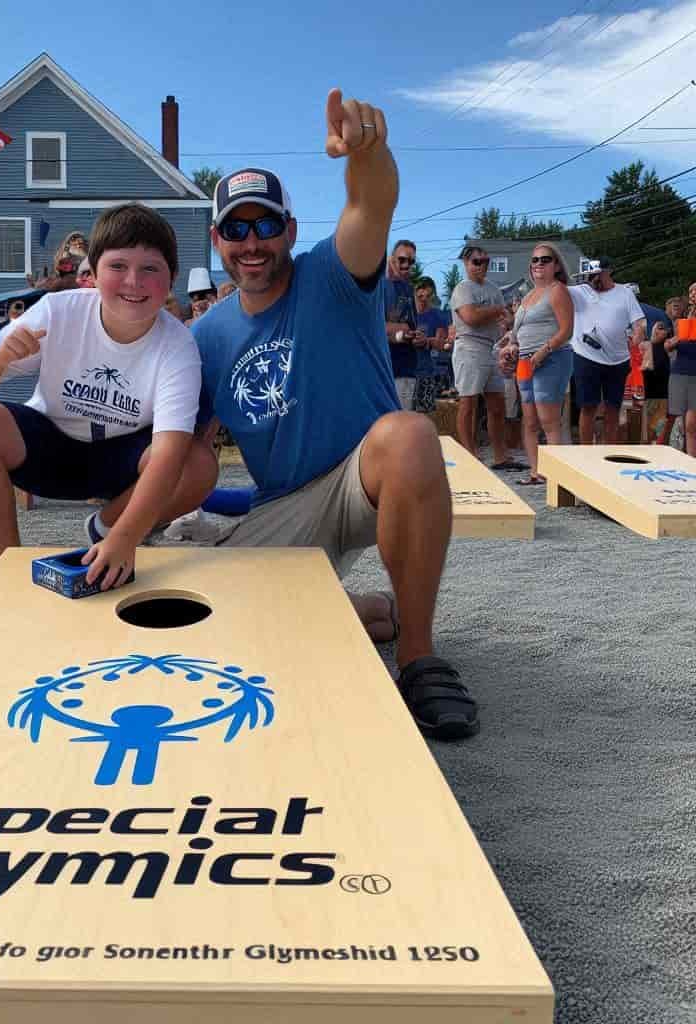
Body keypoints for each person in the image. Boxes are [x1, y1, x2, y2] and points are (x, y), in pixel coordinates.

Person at [192, 90, 479, 741]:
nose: (253, 242)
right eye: (236, 229)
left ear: (291, 230)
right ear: (217, 241)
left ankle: (418, 657)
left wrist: (367, 154)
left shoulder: (333, 272)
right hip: (286, 503)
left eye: (267, 224)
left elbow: (369, 203)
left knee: (409, 435)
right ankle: (374, 612)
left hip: (366, 477)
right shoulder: (206, 336)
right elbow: (187, 445)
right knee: (222, 618)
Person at [0, 203, 218, 585]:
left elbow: (170, 456)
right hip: (50, 448)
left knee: (198, 464)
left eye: (150, 269)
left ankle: (105, 528)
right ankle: (3, 572)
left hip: (122, 466)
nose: (133, 282)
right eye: (118, 266)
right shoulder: (58, 310)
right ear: (92, 270)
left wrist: (125, 538)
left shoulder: (178, 346)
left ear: (171, 278)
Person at [505, 245, 574, 485]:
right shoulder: (527, 296)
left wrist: (544, 351)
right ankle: (536, 472)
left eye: (545, 259)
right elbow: (516, 332)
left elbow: (567, 330)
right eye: (535, 260)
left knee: (549, 420)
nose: (538, 264)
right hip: (525, 360)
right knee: (530, 420)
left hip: (551, 358)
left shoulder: (558, 291)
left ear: (556, 265)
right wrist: (511, 345)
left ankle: (557, 477)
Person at [450, 245, 521, 469]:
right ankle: (470, 455)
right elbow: (470, 317)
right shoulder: (463, 289)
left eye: (486, 261)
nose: (482, 266)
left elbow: (506, 320)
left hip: (491, 347)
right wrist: (498, 311)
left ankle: (500, 456)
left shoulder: (493, 288)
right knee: (468, 403)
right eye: (477, 262)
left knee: (497, 405)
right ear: (466, 263)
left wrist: (505, 318)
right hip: (469, 347)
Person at [568, 257, 645, 445]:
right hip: (585, 355)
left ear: (608, 272)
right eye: (589, 275)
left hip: (618, 359)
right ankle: (585, 453)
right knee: (588, 406)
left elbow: (639, 321)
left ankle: (608, 453)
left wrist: (638, 334)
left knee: (613, 408)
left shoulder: (625, 293)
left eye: (597, 274)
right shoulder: (579, 292)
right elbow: (555, 291)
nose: (592, 279)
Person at [383, 239, 423, 411]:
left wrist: (416, 337)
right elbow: (371, 327)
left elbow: (411, 327)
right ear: (391, 258)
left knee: (403, 427)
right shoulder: (376, 287)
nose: (407, 265)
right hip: (382, 369)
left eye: (411, 261)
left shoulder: (408, 289)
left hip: (406, 368)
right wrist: (401, 330)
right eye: (402, 259)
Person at [665, 281, 696, 455]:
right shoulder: (683, 317)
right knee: (684, 423)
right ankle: (689, 461)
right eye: (691, 291)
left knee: (691, 423)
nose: (693, 294)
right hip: (680, 371)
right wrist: (672, 342)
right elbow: (670, 345)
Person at [414, 277, 453, 395]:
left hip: (426, 374)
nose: (424, 299)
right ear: (414, 293)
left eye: (428, 295)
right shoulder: (406, 314)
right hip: (404, 371)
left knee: (424, 412)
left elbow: (441, 343)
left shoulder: (437, 315)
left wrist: (426, 341)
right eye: (420, 296)